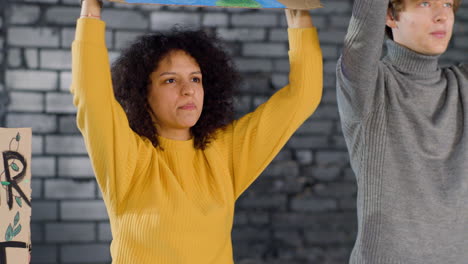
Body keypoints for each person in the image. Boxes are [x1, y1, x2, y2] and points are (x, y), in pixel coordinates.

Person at [72, 0, 323, 263]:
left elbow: (303, 97)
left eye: (195, 79)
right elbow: (91, 96)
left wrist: (297, 11)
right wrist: (91, 9)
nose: (188, 89)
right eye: (170, 80)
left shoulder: (225, 154)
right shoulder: (127, 158)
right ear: (142, 94)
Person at [336, 0, 467, 263]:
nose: (443, 15)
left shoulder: (462, 86)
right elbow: (365, 23)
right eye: (425, 2)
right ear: (389, 15)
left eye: (447, 3)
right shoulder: (367, 87)